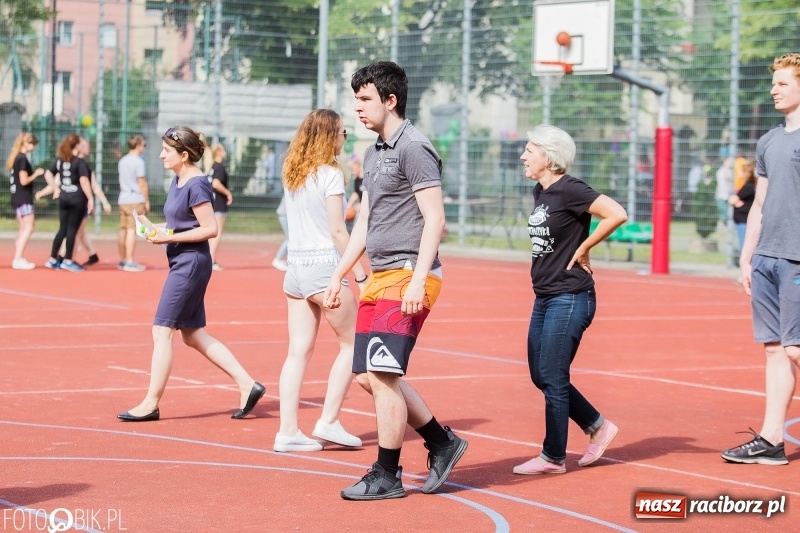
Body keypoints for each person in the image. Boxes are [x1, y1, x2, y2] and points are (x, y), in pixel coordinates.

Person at [324, 61, 468, 500]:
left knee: (382, 374)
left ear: (390, 100)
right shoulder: (373, 152)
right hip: (380, 275)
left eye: (365, 99)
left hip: (408, 273)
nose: (357, 109)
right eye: (356, 100)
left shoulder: (415, 147)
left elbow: (435, 218)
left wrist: (416, 280)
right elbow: (366, 220)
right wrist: (340, 274)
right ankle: (442, 443)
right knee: (369, 376)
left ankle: (387, 474)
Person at [117, 126, 265, 422]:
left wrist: (166, 237)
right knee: (193, 335)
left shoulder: (197, 183)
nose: (160, 155)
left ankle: (151, 403)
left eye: (167, 151)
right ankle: (248, 384)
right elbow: (182, 225)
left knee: (161, 331)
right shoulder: (178, 179)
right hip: (182, 260)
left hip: (191, 264)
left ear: (184, 155)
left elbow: (209, 228)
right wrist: (156, 229)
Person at [513, 124, 627, 475]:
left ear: (548, 156)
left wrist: (586, 246)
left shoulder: (570, 188)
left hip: (571, 295)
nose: (523, 157)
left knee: (554, 374)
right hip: (545, 296)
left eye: (529, 151)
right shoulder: (540, 191)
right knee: (541, 374)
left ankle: (553, 457)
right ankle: (597, 426)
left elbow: (617, 213)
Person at [273, 109, 369, 452]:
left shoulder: (292, 171)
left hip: (295, 271)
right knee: (352, 344)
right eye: (343, 132)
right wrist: (359, 274)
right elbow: (338, 231)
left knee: (297, 353)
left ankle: (288, 431)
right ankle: (328, 421)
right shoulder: (330, 174)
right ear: (330, 136)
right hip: (324, 269)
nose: (346, 137)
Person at [722, 53, 800, 466]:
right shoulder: (769, 140)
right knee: (775, 350)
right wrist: (747, 255)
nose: (774, 89)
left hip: (797, 259)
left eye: (783, 83)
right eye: (774, 83)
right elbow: (760, 204)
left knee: (796, 350)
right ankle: (772, 440)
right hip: (767, 256)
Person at [44, 133, 93, 272]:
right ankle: (68, 260)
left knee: (62, 229)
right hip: (77, 199)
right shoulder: (79, 162)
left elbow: (47, 173)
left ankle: (53, 259)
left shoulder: (61, 160)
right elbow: (84, 181)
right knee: (72, 230)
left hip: (64, 198)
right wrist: (90, 198)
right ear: (77, 145)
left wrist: (55, 188)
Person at [70, 137, 112, 267]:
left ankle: (69, 259)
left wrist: (104, 202)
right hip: (72, 202)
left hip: (82, 203)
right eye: (84, 144)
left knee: (77, 232)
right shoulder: (70, 162)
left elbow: (94, 186)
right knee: (79, 232)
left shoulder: (84, 164)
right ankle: (92, 254)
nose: (88, 147)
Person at [7, 132, 46, 270]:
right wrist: (36, 174)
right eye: (33, 144)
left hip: (16, 197)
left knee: (23, 228)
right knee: (29, 228)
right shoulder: (22, 159)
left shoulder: (16, 158)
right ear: (27, 143)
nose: (34, 147)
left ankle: (18, 255)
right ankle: (17, 258)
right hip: (23, 197)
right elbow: (24, 180)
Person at [117, 134, 149, 272]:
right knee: (132, 230)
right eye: (143, 145)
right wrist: (146, 200)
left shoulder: (123, 160)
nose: (144, 148)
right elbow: (142, 183)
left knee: (123, 229)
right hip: (135, 199)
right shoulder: (138, 162)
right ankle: (129, 260)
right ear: (138, 145)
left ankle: (124, 259)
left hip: (123, 198)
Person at [207, 143, 233, 270]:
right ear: (218, 152)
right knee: (217, 232)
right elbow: (216, 183)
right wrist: (227, 192)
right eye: (223, 150)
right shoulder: (220, 167)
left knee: (211, 232)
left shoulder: (212, 167)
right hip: (219, 203)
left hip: (212, 202)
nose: (225, 152)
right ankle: (210, 260)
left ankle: (209, 259)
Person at [727, 158, 756, 252]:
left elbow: (732, 200)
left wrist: (735, 200)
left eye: (740, 171)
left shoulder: (748, 187)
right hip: (742, 220)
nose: (738, 173)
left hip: (744, 221)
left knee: (744, 248)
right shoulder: (746, 186)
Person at [345, 155, 364, 231]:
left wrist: (361, 205)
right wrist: (349, 204)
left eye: (352, 169)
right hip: (361, 208)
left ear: (357, 166)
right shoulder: (357, 180)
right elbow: (356, 193)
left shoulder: (366, 179)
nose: (351, 171)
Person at [715, 156, 734, 228]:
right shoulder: (721, 171)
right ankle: (721, 226)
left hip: (728, 194)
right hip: (722, 194)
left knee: (728, 211)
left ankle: (727, 226)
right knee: (723, 212)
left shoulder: (730, 170)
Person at [272, 195, 288, 271]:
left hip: (286, 214)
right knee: (290, 239)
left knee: (292, 239)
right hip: (285, 214)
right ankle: (278, 259)